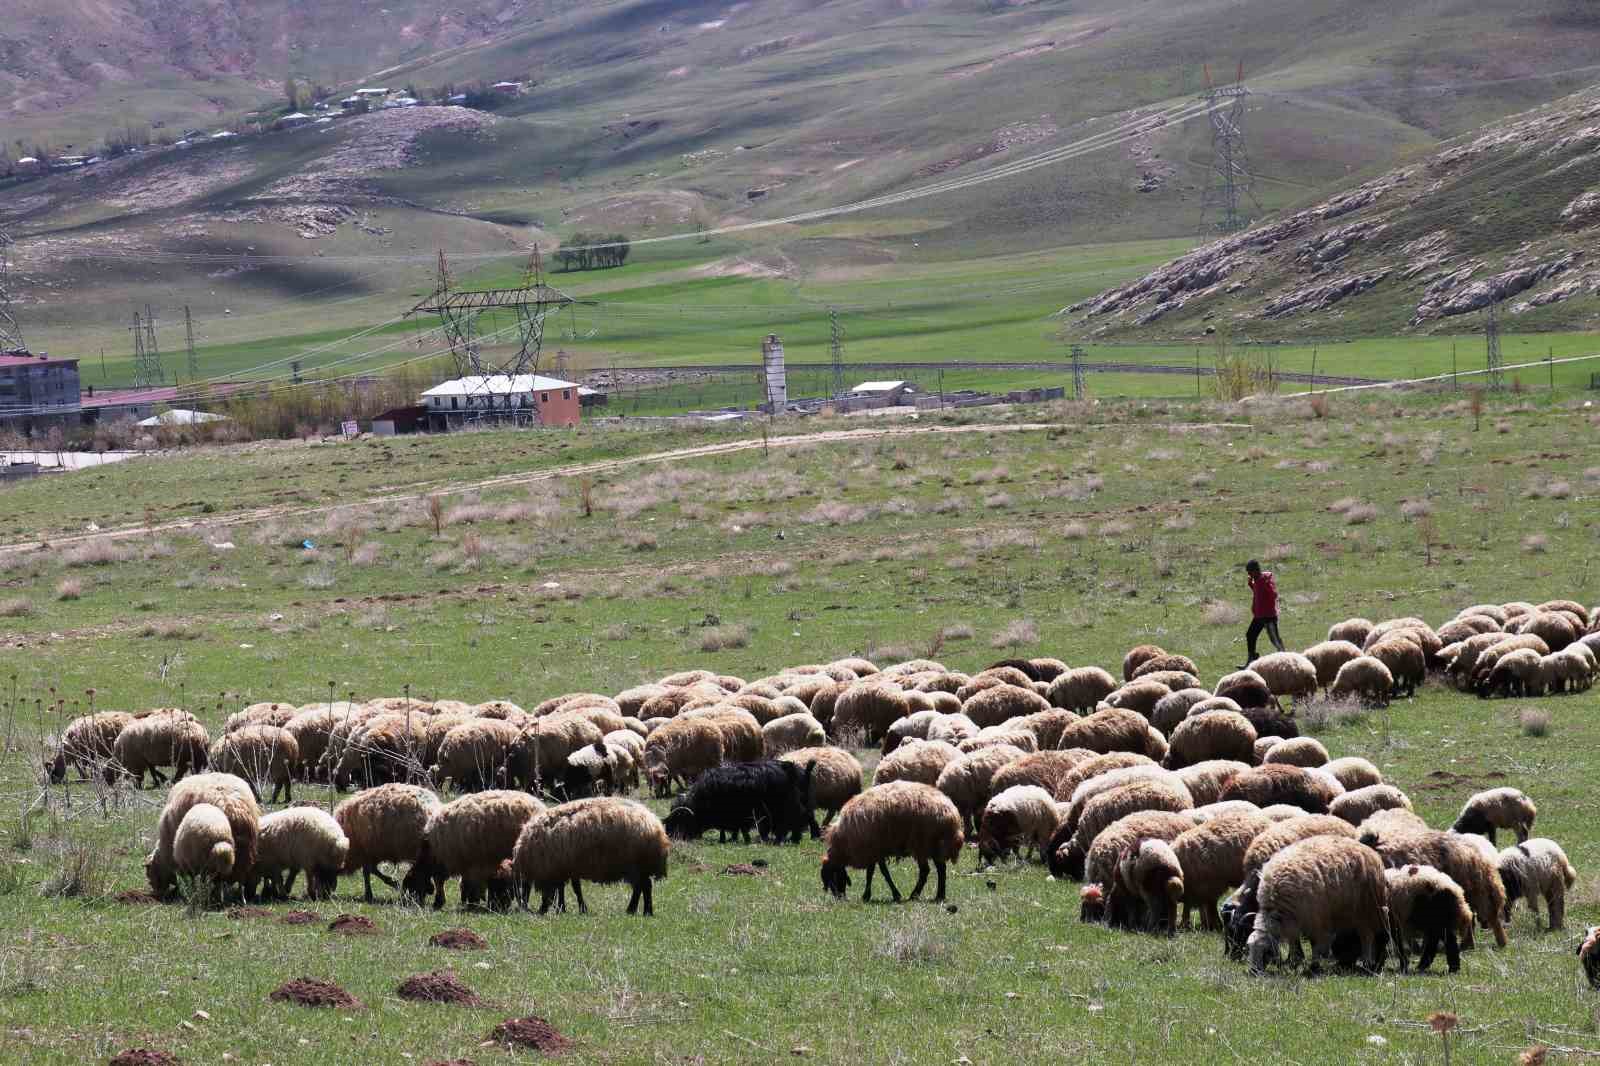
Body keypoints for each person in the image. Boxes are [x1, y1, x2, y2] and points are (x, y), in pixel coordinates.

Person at [1243, 560, 1285, 664]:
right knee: (1250, 635)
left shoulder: (1264, 580)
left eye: (1249, 572)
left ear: (1256, 570)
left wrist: (1267, 587)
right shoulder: (1257, 580)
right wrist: (1251, 585)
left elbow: (1273, 595)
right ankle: (1251, 659)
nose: (1248, 574)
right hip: (1259, 616)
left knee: (1275, 640)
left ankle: (1285, 658)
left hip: (1268, 616)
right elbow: (1260, 593)